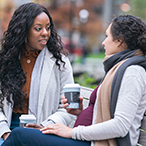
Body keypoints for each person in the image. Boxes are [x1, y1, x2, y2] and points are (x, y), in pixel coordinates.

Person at [2, 14, 146, 146]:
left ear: (119, 41)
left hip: (93, 143)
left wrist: (70, 132)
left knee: (20, 135)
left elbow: (120, 126)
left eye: (107, 36)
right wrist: (80, 112)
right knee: (22, 135)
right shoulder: (121, 68)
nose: (103, 42)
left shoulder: (133, 73)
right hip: (88, 140)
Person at [0, 2, 75, 145]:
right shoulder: (5, 61)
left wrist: (46, 126)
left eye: (48, 28)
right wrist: (4, 132)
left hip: (44, 130)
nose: (45, 33)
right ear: (23, 30)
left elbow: (67, 108)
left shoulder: (60, 62)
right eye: (38, 28)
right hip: (8, 127)